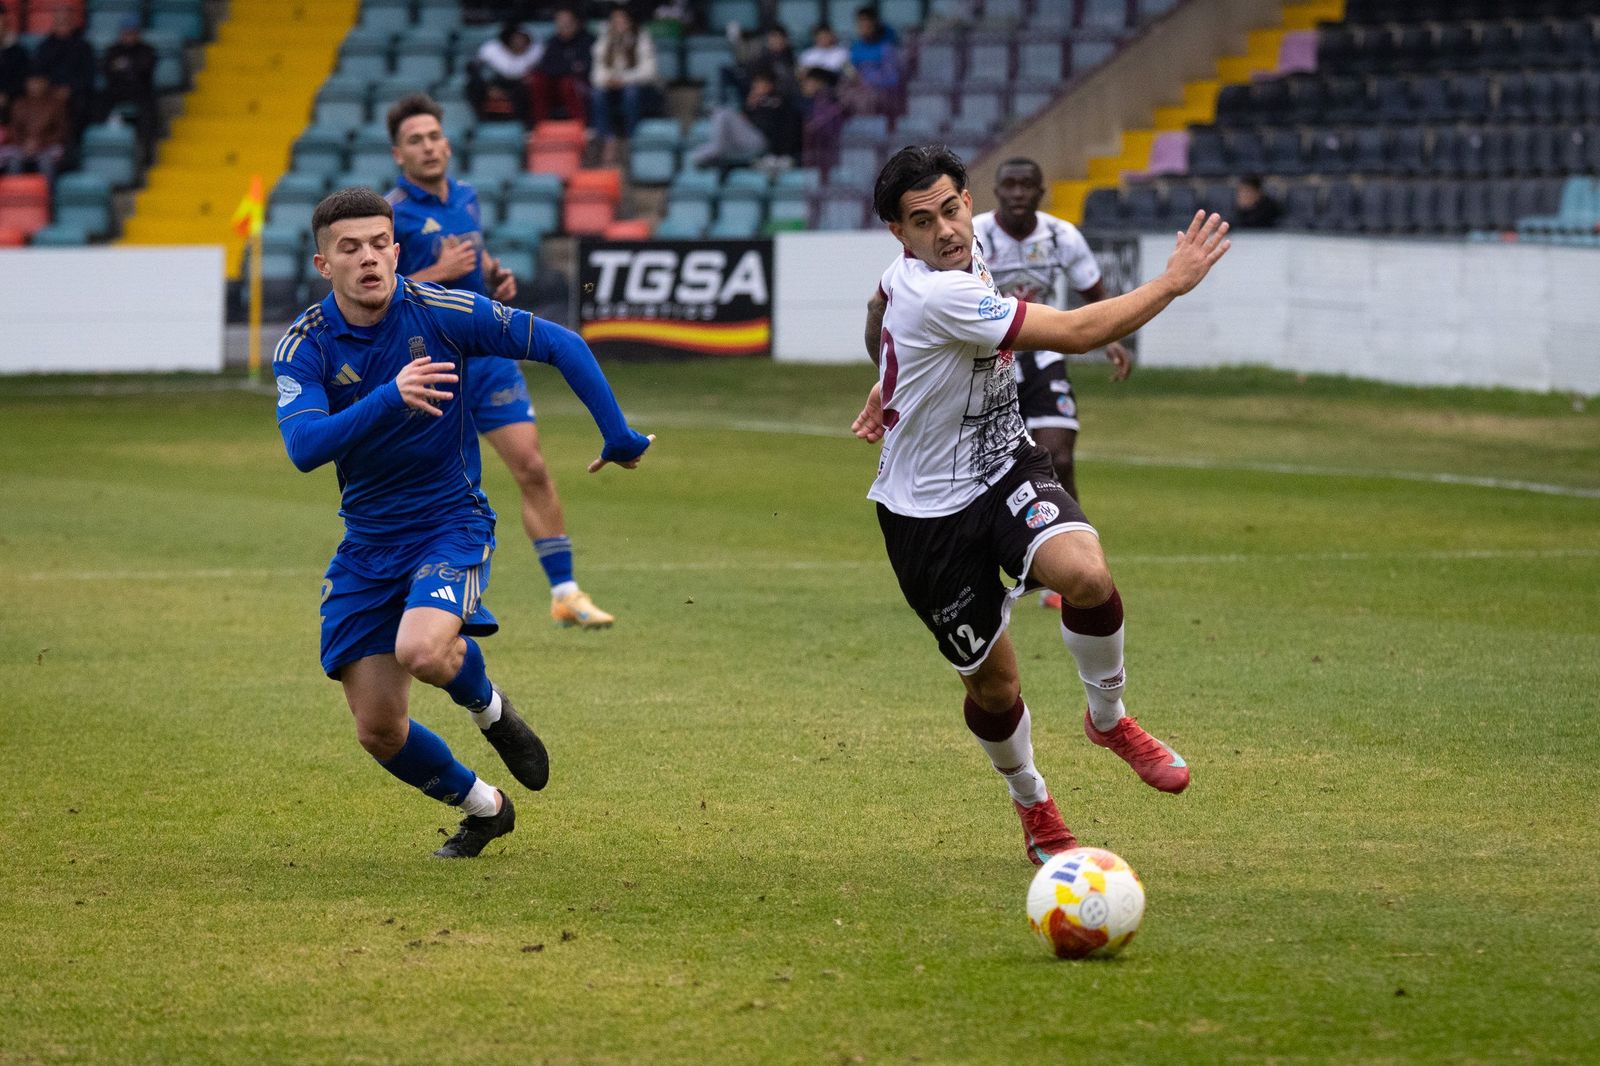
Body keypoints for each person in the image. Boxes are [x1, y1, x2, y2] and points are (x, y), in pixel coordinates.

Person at [850, 145, 1227, 865]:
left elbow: (883, 314)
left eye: (952, 209)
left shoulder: (964, 252)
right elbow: (1083, 332)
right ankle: (1033, 802)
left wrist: (891, 379)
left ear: (970, 201)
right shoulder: (940, 292)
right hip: (925, 516)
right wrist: (1172, 283)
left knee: (1085, 573)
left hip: (1002, 462)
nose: (946, 231)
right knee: (995, 688)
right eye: (922, 222)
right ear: (900, 234)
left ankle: (1109, 719)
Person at [272, 185, 654, 858]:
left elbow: (561, 343)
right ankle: (486, 806)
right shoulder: (305, 345)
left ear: (397, 249)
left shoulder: (440, 311)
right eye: (348, 248)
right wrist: (391, 397)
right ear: (322, 263)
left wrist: (617, 433)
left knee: (422, 651)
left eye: (378, 244)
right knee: (378, 729)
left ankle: (488, 711)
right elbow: (304, 448)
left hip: (451, 522)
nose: (368, 258)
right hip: (366, 545)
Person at [384, 93, 619, 630]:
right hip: (433, 367)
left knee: (532, 466)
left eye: (433, 136)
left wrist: (493, 274)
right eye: (415, 140)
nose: (428, 147)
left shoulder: (466, 197)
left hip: (486, 358)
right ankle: (434, 591)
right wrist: (436, 272)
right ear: (399, 154)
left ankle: (566, 592)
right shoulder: (391, 213)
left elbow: (476, 254)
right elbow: (376, 294)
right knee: (442, 482)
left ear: (447, 142)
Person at [972, 159, 1131, 502]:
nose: (1018, 193)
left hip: (1042, 353)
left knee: (1058, 459)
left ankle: (1075, 539)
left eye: (1026, 185)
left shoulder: (1061, 235)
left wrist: (1112, 339)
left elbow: (1095, 294)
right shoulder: (974, 235)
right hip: (990, 360)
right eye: (1010, 185)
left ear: (1041, 192)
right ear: (997, 191)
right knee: (989, 470)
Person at [690, 71, 800, 170]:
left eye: (760, 84)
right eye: (756, 84)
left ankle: (716, 148)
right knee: (720, 115)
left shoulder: (779, 101)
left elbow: (781, 128)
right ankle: (714, 151)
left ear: (769, 85)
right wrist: (750, 106)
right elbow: (743, 120)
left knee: (723, 113)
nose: (757, 87)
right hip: (748, 140)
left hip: (761, 141)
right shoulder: (755, 103)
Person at [590, 7, 657, 163]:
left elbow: (649, 72)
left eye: (623, 21)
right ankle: (607, 139)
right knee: (597, 93)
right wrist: (607, 80)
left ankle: (631, 138)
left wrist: (624, 80)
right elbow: (596, 73)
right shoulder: (604, 40)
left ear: (630, 22)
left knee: (630, 92)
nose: (619, 24)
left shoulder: (642, 38)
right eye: (615, 21)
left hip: (640, 89)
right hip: (612, 88)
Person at [99, 16, 159, 164]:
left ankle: (146, 153)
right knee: (98, 103)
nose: (129, 36)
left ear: (138, 34)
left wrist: (125, 67)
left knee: (149, 111)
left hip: (140, 91)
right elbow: (107, 71)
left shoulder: (147, 50)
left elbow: (145, 70)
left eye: (132, 33)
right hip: (117, 90)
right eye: (126, 33)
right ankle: (102, 147)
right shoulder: (113, 50)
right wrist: (130, 67)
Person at [529, 7, 593, 126]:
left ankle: (581, 126)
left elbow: (585, 68)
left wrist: (564, 68)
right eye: (559, 22)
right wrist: (569, 67)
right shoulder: (553, 42)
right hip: (555, 85)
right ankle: (540, 126)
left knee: (567, 83)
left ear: (577, 22)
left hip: (582, 85)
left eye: (567, 22)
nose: (563, 25)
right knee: (538, 80)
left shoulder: (588, 41)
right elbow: (545, 67)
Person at [470, 21, 541, 123]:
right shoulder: (492, 49)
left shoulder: (535, 52)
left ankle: (525, 126)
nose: (518, 41)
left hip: (519, 86)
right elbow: (475, 69)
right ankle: (481, 120)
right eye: (515, 38)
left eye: (522, 38)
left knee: (530, 87)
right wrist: (489, 88)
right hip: (495, 83)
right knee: (474, 86)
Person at [0, 72, 69, 177]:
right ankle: (13, 191)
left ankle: (48, 191)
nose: (34, 86)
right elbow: (13, 129)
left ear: (45, 83)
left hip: (47, 145)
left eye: (38, 82)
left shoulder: (56, 105)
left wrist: (40, 143)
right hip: (22, 145)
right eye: (31, 82)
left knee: (46, 161)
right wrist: (23, 144)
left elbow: (61, 130)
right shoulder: (19, 104)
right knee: (13, 160)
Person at [846, 6, 900, 114]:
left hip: (878, 96)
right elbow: (850, 71)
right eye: (860, 25)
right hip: (856, 93)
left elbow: (892, 79)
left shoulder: (886, 48)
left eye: (867, 25)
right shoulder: (855, 48)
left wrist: (865, 80)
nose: (863, 28)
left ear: (875, 25)